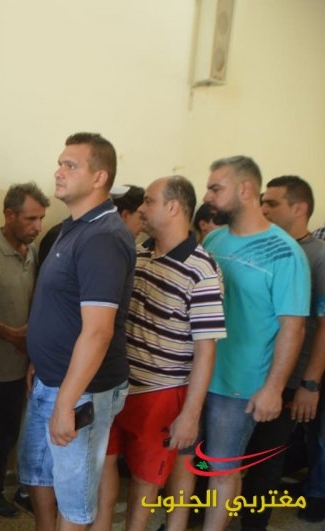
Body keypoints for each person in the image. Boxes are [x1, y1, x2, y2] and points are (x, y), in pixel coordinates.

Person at [90, 176, 225, 531]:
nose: (141, 208)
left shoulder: (202, 270)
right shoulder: (140, 253)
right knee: (104, 466)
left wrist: (190, 415)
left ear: (173, 207)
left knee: (145, 482)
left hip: (160, 392)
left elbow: (206, 350)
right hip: (117, 384)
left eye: (149, 201)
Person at [19, 132, 134, 531]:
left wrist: (66, 403)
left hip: (81, 390)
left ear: (99, 177)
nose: (59, 171)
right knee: (38, 475)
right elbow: (60, 306)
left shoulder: (103, 238)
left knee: (74, 500)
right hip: (51, 379)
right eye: (59, 163)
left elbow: (98, 332)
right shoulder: (74, 228)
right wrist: (40, 359)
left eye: (71, 165)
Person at [200, 156, 310, 531]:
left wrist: (274, 388)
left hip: (239, 386)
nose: (207, 196)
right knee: (196, 464)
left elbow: (293, 328)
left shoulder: (285, 253)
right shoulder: (214, 239)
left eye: (216, 188)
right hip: (198, 376)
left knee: (223, 471)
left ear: (245, 189)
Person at [237, 175, 325, 530]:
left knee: (265, 458)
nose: (263, 208)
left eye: (272, 203)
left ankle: (253, 524)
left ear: (299, 208)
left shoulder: (318, 257)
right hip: (249, 372)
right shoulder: (264, 247)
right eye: (262, 201)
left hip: (288, 376)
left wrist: (309, 383)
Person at [0, 182, 49, 522]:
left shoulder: (33, 254)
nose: (37, 226)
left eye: (40, 218)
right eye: (31, 219)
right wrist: (10, 334)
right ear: (9, 215)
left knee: (4, 436)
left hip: (18, 369)